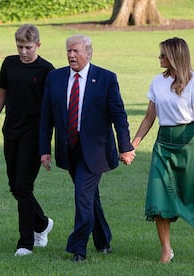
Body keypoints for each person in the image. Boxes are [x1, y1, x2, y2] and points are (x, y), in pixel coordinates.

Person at [39, 34, 135, 262]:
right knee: (90, 197)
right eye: (69, 51)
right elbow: (46, 117)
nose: (71, 55)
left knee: (82, 194)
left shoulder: (106, 78)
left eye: (76, 51)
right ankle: (103, 241)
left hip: (96, 151)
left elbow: (118, 116)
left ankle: (78, 248)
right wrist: (44, 149)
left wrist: (125, 147)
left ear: (89, 53)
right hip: (69, 149)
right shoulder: (55, 78)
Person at [132, 37, 194, 263]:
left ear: (175, 57)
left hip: (189, 143)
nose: (159, 58)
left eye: (163, 55)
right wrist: (132, 145)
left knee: (191, 195)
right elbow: (149, 117)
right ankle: (166, 250)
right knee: (158, 196)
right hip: (163, 144)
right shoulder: (156, 82)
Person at [0, 24, 54, 257]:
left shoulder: (46, 70)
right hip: (10, 132)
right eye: (19, 46)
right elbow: (2, 95)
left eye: (28, 47)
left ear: (38, 45)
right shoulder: (9, 63)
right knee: (15, 187)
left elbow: (51, 109)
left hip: (33, 135)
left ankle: (25, 243)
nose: (23, 51)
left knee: (23, 187)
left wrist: (47, 144)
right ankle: (42, 223)